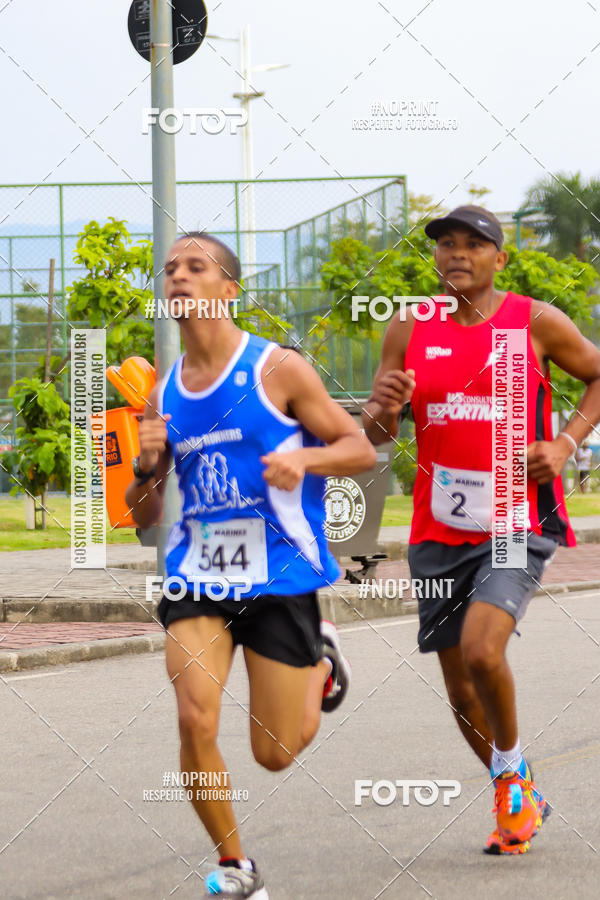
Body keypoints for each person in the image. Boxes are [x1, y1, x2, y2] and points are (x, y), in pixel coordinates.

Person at [125, 232, 376, 898]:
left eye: (196, 266)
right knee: (194, 717)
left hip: (280, 578)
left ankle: (321, 663)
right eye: (171, 268)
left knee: (275, 753)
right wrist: (148, 465)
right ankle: (237, 868)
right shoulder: (163, 392)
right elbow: (145, 513)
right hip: (198, 573)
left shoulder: (277, 370)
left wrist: (306, 458)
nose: (178, 275)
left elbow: (358, 450)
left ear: (228, 289)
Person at [363, 205, 600, 855]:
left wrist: (565, 442)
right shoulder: (409, 328)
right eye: (445, 244)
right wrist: (380, 411)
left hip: (516, 519)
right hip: (436, 529)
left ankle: (512, 781)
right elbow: (378, 439)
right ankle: (515, 785)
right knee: (460, 690)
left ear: (500, 259)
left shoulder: (537, 322)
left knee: (481, 651)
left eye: (474, 244)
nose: (457, 254)